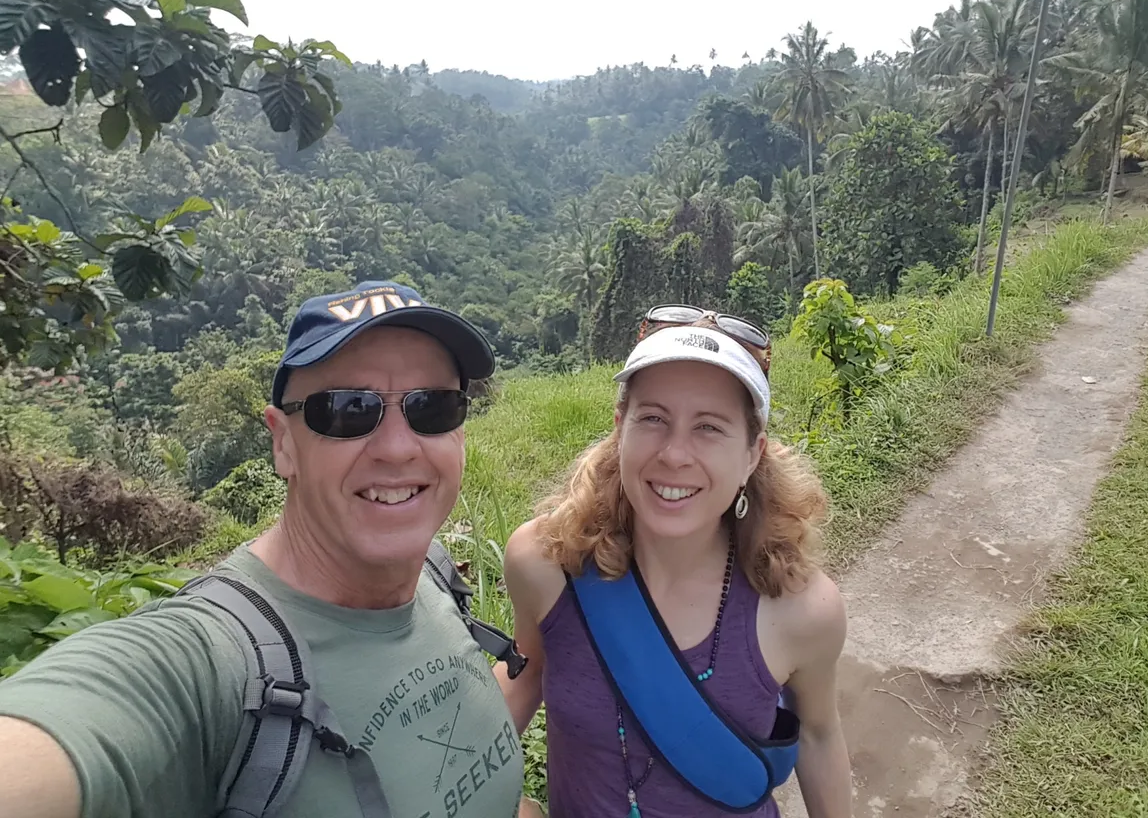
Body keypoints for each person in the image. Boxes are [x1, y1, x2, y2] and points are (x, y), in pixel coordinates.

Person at [0, 281, 533, 818]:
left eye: (432, 407)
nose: (397, 447)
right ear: (283, 442)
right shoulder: (209, 662)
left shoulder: (436, 578)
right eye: (348, 410)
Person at [502, 305, 854, 818]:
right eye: (653, 418)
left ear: (752, 454)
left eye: (708, 427)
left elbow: (820, 735)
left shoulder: (802, 610)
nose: (673, 454)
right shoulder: (546, 564)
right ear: (620, 427)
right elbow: (525, 673)